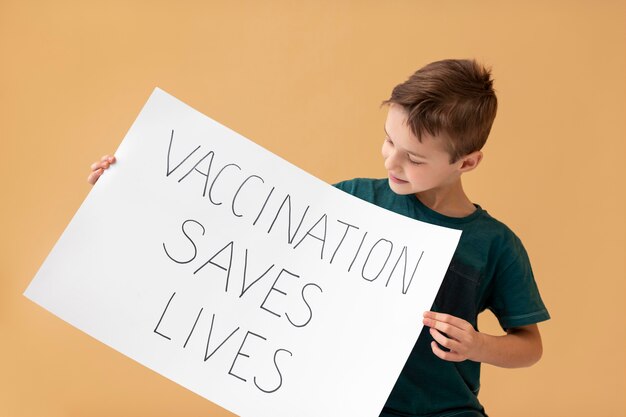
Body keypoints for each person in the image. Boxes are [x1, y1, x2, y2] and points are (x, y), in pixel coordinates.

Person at [87, 59, 549, 417]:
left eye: (414, 157)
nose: (392, 163)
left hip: (442, 410)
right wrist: (134, 182)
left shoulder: (493, 244)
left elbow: (529, 344)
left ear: (466, 162)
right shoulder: (351, 200)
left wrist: (478, 346)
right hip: (332, 403)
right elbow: (238, 243)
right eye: (388, 141)